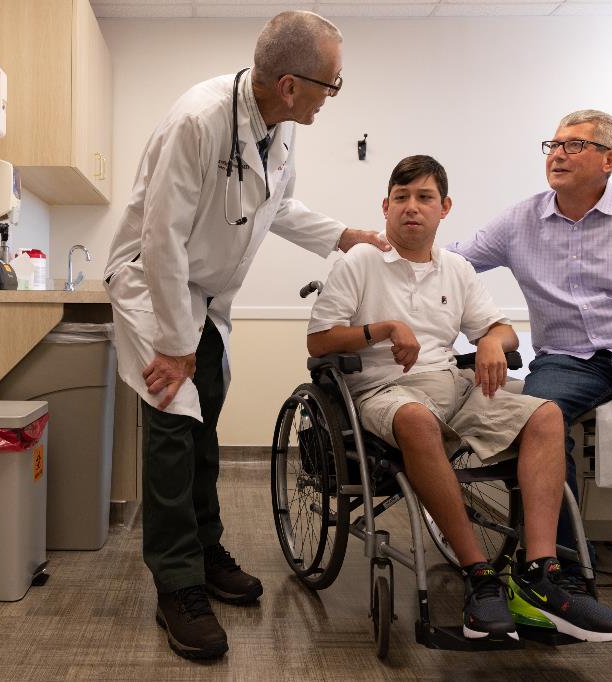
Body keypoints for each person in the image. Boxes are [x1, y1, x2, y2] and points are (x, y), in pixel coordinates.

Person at [103, 11, 388, 660]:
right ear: (291, 84)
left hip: (204, 300)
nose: (332, 96)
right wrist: (175, 342)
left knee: (203, 431)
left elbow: (278, 204)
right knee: (173, 432)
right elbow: (161, 238)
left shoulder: (280, 128)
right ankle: (176, 585)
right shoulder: (197, 122)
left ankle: (203, 551)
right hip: (155, 290)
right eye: (331, 84)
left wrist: (345, 236)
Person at [308, 155, 612, 643]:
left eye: (424, 198)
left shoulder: (457, 268)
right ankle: (480, 576)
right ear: (385, 206)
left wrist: (490, 341)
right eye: (401, 198)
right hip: (383, 391)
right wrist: (382, 329)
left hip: (452, 386)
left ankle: (541, 575)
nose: (411, 208)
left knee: (546, 414)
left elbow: (501, 329)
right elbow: (319, 342)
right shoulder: (360, 262)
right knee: (419, 421)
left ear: (445, 208)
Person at [448, 110, 612, 565]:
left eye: (574, 145)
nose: (558, 155)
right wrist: (384, 250)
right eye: (554, 145)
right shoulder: (520, 220)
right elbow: (454, 262)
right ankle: (556, 564)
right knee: (537, 425)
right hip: (566, 359)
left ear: (609, 160)